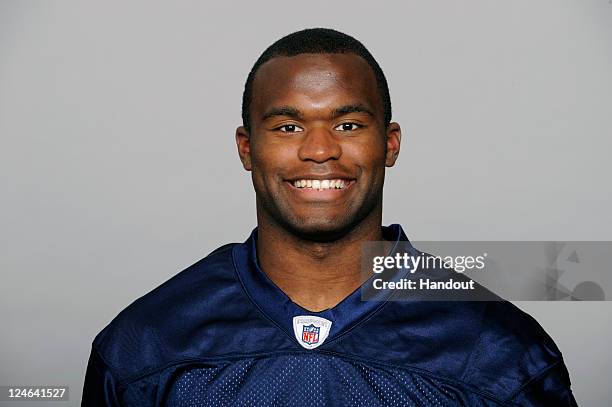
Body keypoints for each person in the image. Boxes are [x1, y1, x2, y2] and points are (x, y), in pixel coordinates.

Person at [82, 28, 577, 406]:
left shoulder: (502, 353)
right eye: (289, 125)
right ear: (246, 148)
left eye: (348, 124)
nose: (319, 150)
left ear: (390, 144)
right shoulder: (145, 345)